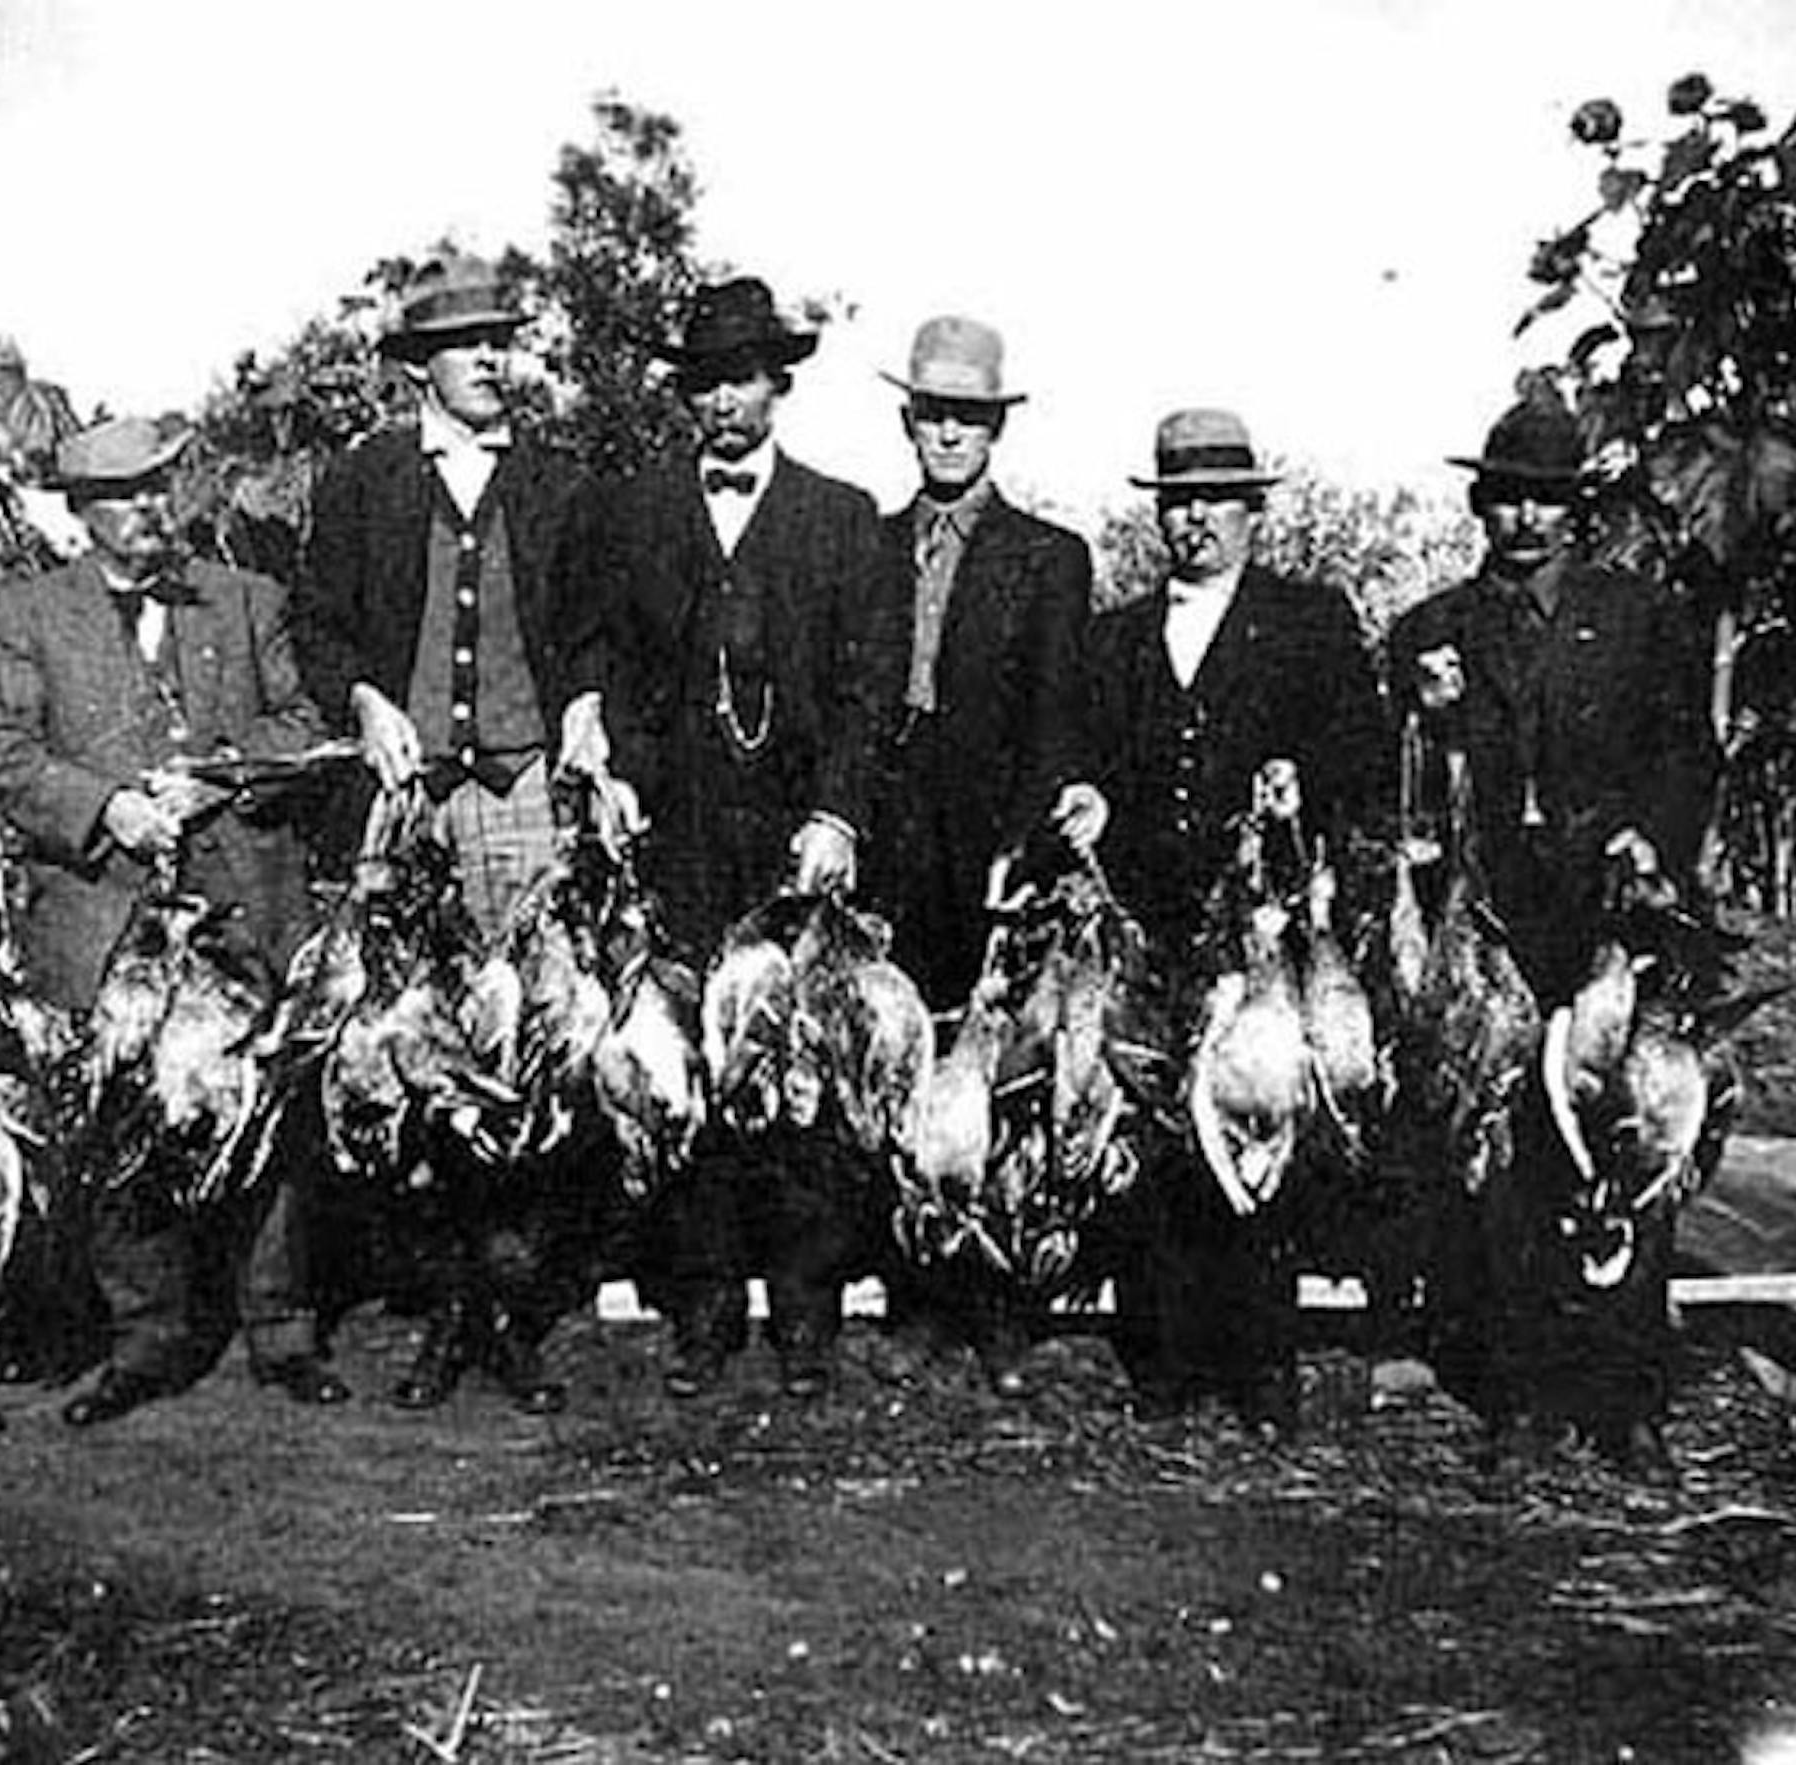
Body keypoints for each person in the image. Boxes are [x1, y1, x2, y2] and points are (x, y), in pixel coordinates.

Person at [561, 275, 908, 1400]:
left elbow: (867, 694)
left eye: (742, 379)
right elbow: (597, 654)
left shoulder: (841, 518)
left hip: (796, 844)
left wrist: (838, 814)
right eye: (703, 380)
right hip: (676, 834)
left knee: (802, 1073)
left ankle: (807, 1314)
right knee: (690, 1071)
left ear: (779, 385)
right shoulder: (630, 510)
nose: (722, 401)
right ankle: (703, 1308)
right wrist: (601, 760)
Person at [0, 414, 347, 1427]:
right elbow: (5, 754)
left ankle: (281, 1328)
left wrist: (217, 774)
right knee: (120, 1116)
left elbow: (304, 729)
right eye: (126, 496)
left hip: (243, 891)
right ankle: (146, 1338)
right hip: (102, 909)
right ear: (82, 512)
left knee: (265, 1110)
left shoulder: (243, 595)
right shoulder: (30, 611)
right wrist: (109, 809)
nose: (150, 510)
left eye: (160, 489)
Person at [1388, 397, 1718, 1472]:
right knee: (1512, 1142)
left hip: (1612, 910)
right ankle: (1520, 1391)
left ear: (1576, 508)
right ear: (1482, 504)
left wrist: (1646, 838)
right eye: (1506, 496)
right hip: (1492, 916)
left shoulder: (1638, 618)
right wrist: (1428, 753)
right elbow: (1400, 793)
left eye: (1546, 497)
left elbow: (1688, 754)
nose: (1524, 517)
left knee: (1633, 1131)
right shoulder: (1431, 629)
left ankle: (1629, 1396)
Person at [295, 252, 592, 1415]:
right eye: (469, 345)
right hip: (409, 803)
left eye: (502, 342)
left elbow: (602, 631)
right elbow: (319, 630)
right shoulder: (367, 480)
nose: (493, 361)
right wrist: (364, 699)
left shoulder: (560, 484)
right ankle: (442, 1310)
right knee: (413, 1055)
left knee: (522, 1058)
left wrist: (586, 703)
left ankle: (509, 1317)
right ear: (420, 364)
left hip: (521, 798)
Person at [1067, 407, 1385, 1433]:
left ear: (1254, 509)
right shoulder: (1114, 640)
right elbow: (1091, 765)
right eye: (1179, 502)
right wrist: (1088, 804)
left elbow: (1363, 761)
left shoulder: (1311, 622)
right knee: (1162, 1128)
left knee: (1262, 1123)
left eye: (1216, 500)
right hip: (1155, 923)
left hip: (1262, 929)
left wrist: (1309, 789)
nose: (1196, 519)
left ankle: (1262, 1359)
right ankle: (1166, 1358)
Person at [864, 315, 1095, 1391]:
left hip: (995, 841)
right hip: (892, 835)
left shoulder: (1047, 558)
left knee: (999, 1071)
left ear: (995, 428)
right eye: (933, 413)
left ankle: (1000, 1303)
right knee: (903, 1062)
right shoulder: (866, 541)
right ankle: (915, 1293)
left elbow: (1054, 719)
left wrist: (1026, 843)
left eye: (968, 416)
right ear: (909, 420)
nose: (948, 433)